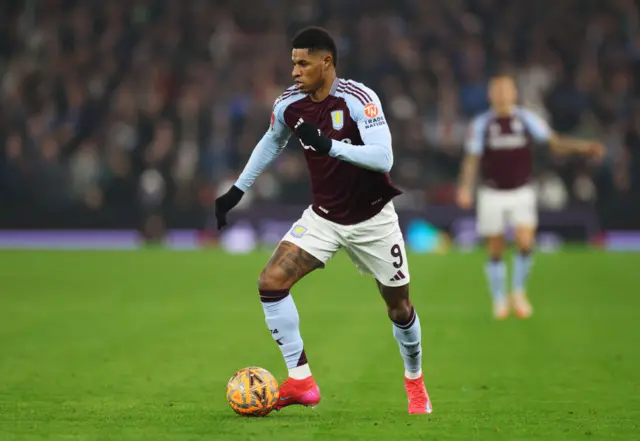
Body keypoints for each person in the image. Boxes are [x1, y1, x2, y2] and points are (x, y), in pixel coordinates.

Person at [214, 27, 432, 415]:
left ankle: (414, 380)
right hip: (324, 217)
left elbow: (384, 158)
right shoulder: (290, 104)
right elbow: (272, 140)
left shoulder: (359, 99)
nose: (295, 71)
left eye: (303, 63)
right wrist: (237, 190)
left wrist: (330, 145)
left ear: (326, 62)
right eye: (293, 63)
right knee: (271, 281)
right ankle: (301, 381)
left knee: (399, 308)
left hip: (373, 219)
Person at [456, 74, 605, 320]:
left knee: (526, 242)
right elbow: (471, 159)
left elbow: (554, 143)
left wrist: (584, 147)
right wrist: (465, 187)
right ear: (490, 94)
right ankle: (499, 299)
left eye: (507, 89)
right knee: (495, 248)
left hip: (521, 190)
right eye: (498, 90)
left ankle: (518, 291)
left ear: (514, 93)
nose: (502, 94)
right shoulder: (482, 124)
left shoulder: (526, 119)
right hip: (492, 192)